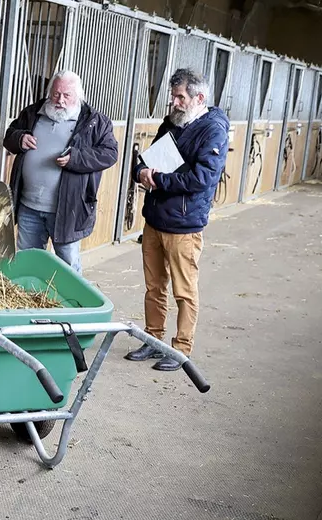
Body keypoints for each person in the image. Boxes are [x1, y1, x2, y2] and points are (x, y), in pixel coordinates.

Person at [125, 68, 229, 371]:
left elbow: (203, 178)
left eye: (180, 96)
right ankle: (154, 339)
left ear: (199, 97)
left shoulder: (213, 131)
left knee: (184, 290)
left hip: (184, 225)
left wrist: (159, 180)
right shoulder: (173, 122)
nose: (174, 102)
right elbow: (146, 159)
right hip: (155, 219)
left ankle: (181, 349)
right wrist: (140, 172)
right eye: (173, 96)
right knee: (153, 286)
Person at [2, 70, 118, 274]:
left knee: (68, 266)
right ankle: (30, 301)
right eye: (56, 94)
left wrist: (76, 159)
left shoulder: (95, 122)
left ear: (78, 96)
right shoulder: (32, 113)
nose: (60, 100)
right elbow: (9, 136)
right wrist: (19, 139)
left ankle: (70, 305)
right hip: (28, 205)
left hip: (67, 209)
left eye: (67, 95)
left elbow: (109, 154)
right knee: (27, 261)